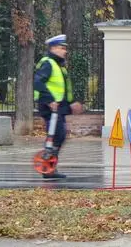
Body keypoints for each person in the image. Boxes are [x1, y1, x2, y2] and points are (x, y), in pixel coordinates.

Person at [33, 34, 83, 179]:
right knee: (56, 135)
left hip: (58, 107)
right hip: (49, 107)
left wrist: (72, 102)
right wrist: (49, 100)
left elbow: (63, 88)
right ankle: (47, 166)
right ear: (53, 48)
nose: (64, 51)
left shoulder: (58, 65)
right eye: (62, 48)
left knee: (58, 135)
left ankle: (49, 166)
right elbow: (38, 82)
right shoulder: (48, 63)